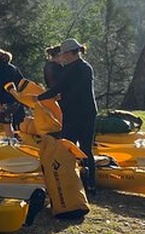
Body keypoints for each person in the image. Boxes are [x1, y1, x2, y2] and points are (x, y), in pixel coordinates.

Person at [36, 39, 98, 194]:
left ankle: (75, 182)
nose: (62, 56)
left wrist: (38, 98)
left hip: (77, 113)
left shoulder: (74, 69)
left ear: (71, 53)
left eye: (64, 54)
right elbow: (69, 89)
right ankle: (88, 184)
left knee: (69, 148)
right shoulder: (83, 67)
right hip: (84, 112)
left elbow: (60, 88)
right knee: (84, 148)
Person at [0, 49, 26, 138]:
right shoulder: (14, 68)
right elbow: (22, 82)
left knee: (7, 124)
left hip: (5, 99)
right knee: (18, 122)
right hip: (17, 98)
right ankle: (21, 139)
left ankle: (11, 141)